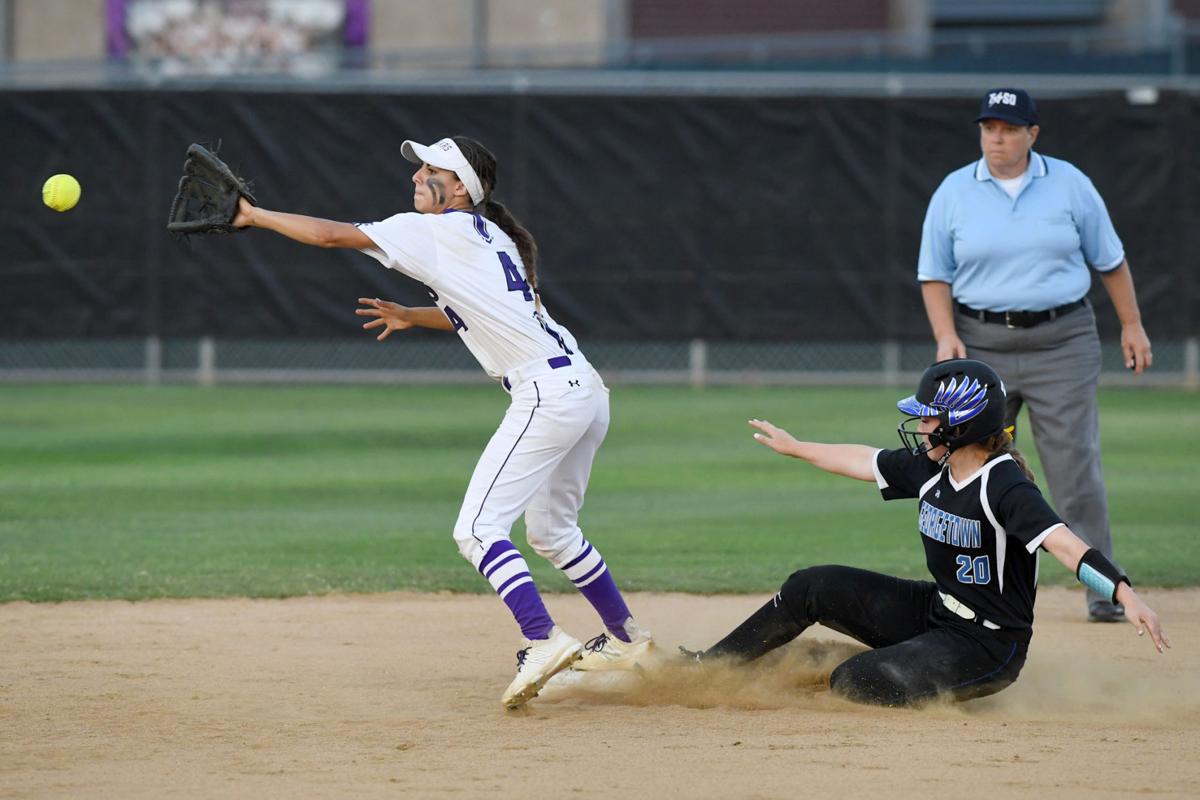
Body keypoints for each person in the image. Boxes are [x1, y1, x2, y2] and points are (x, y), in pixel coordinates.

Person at [229, 135, 653, 709]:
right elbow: (475, 313)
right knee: (553, 532)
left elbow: (331, 235)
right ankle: (630, 642)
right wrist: (411, 316)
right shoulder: (490, 236)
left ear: (459, 187)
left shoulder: (435, 229)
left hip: (547, 391)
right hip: (584, 387)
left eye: (431, 169)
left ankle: (542, 638)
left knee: (476, 531)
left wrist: (253, 216)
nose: (416, 176)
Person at [683, 359, 1168, 707]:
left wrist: (1124, 593)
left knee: (856, 681)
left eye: (931, 415)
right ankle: (711, 666)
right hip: (937, 612)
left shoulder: (1003, 485)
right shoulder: (934, 467)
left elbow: (1065, 543)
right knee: (811, 586)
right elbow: (863, 459)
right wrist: (796, 447)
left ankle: (842, 665)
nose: (921, 423)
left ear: (961, 425)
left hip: (986, 644)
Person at [916, 88, 1154, 623]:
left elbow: (1110, 261)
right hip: (980, 343)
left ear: (1033, 134)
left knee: (1074, 471)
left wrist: (1132, 325)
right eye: (988, 128)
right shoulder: (955, 191)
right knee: (962, 463)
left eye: (1008, 129)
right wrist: (944, 335)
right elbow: (934, 273)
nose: (996, 139)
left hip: (1061, 340)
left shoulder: (1070, 185)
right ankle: (967, 589)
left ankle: (1102, 591)